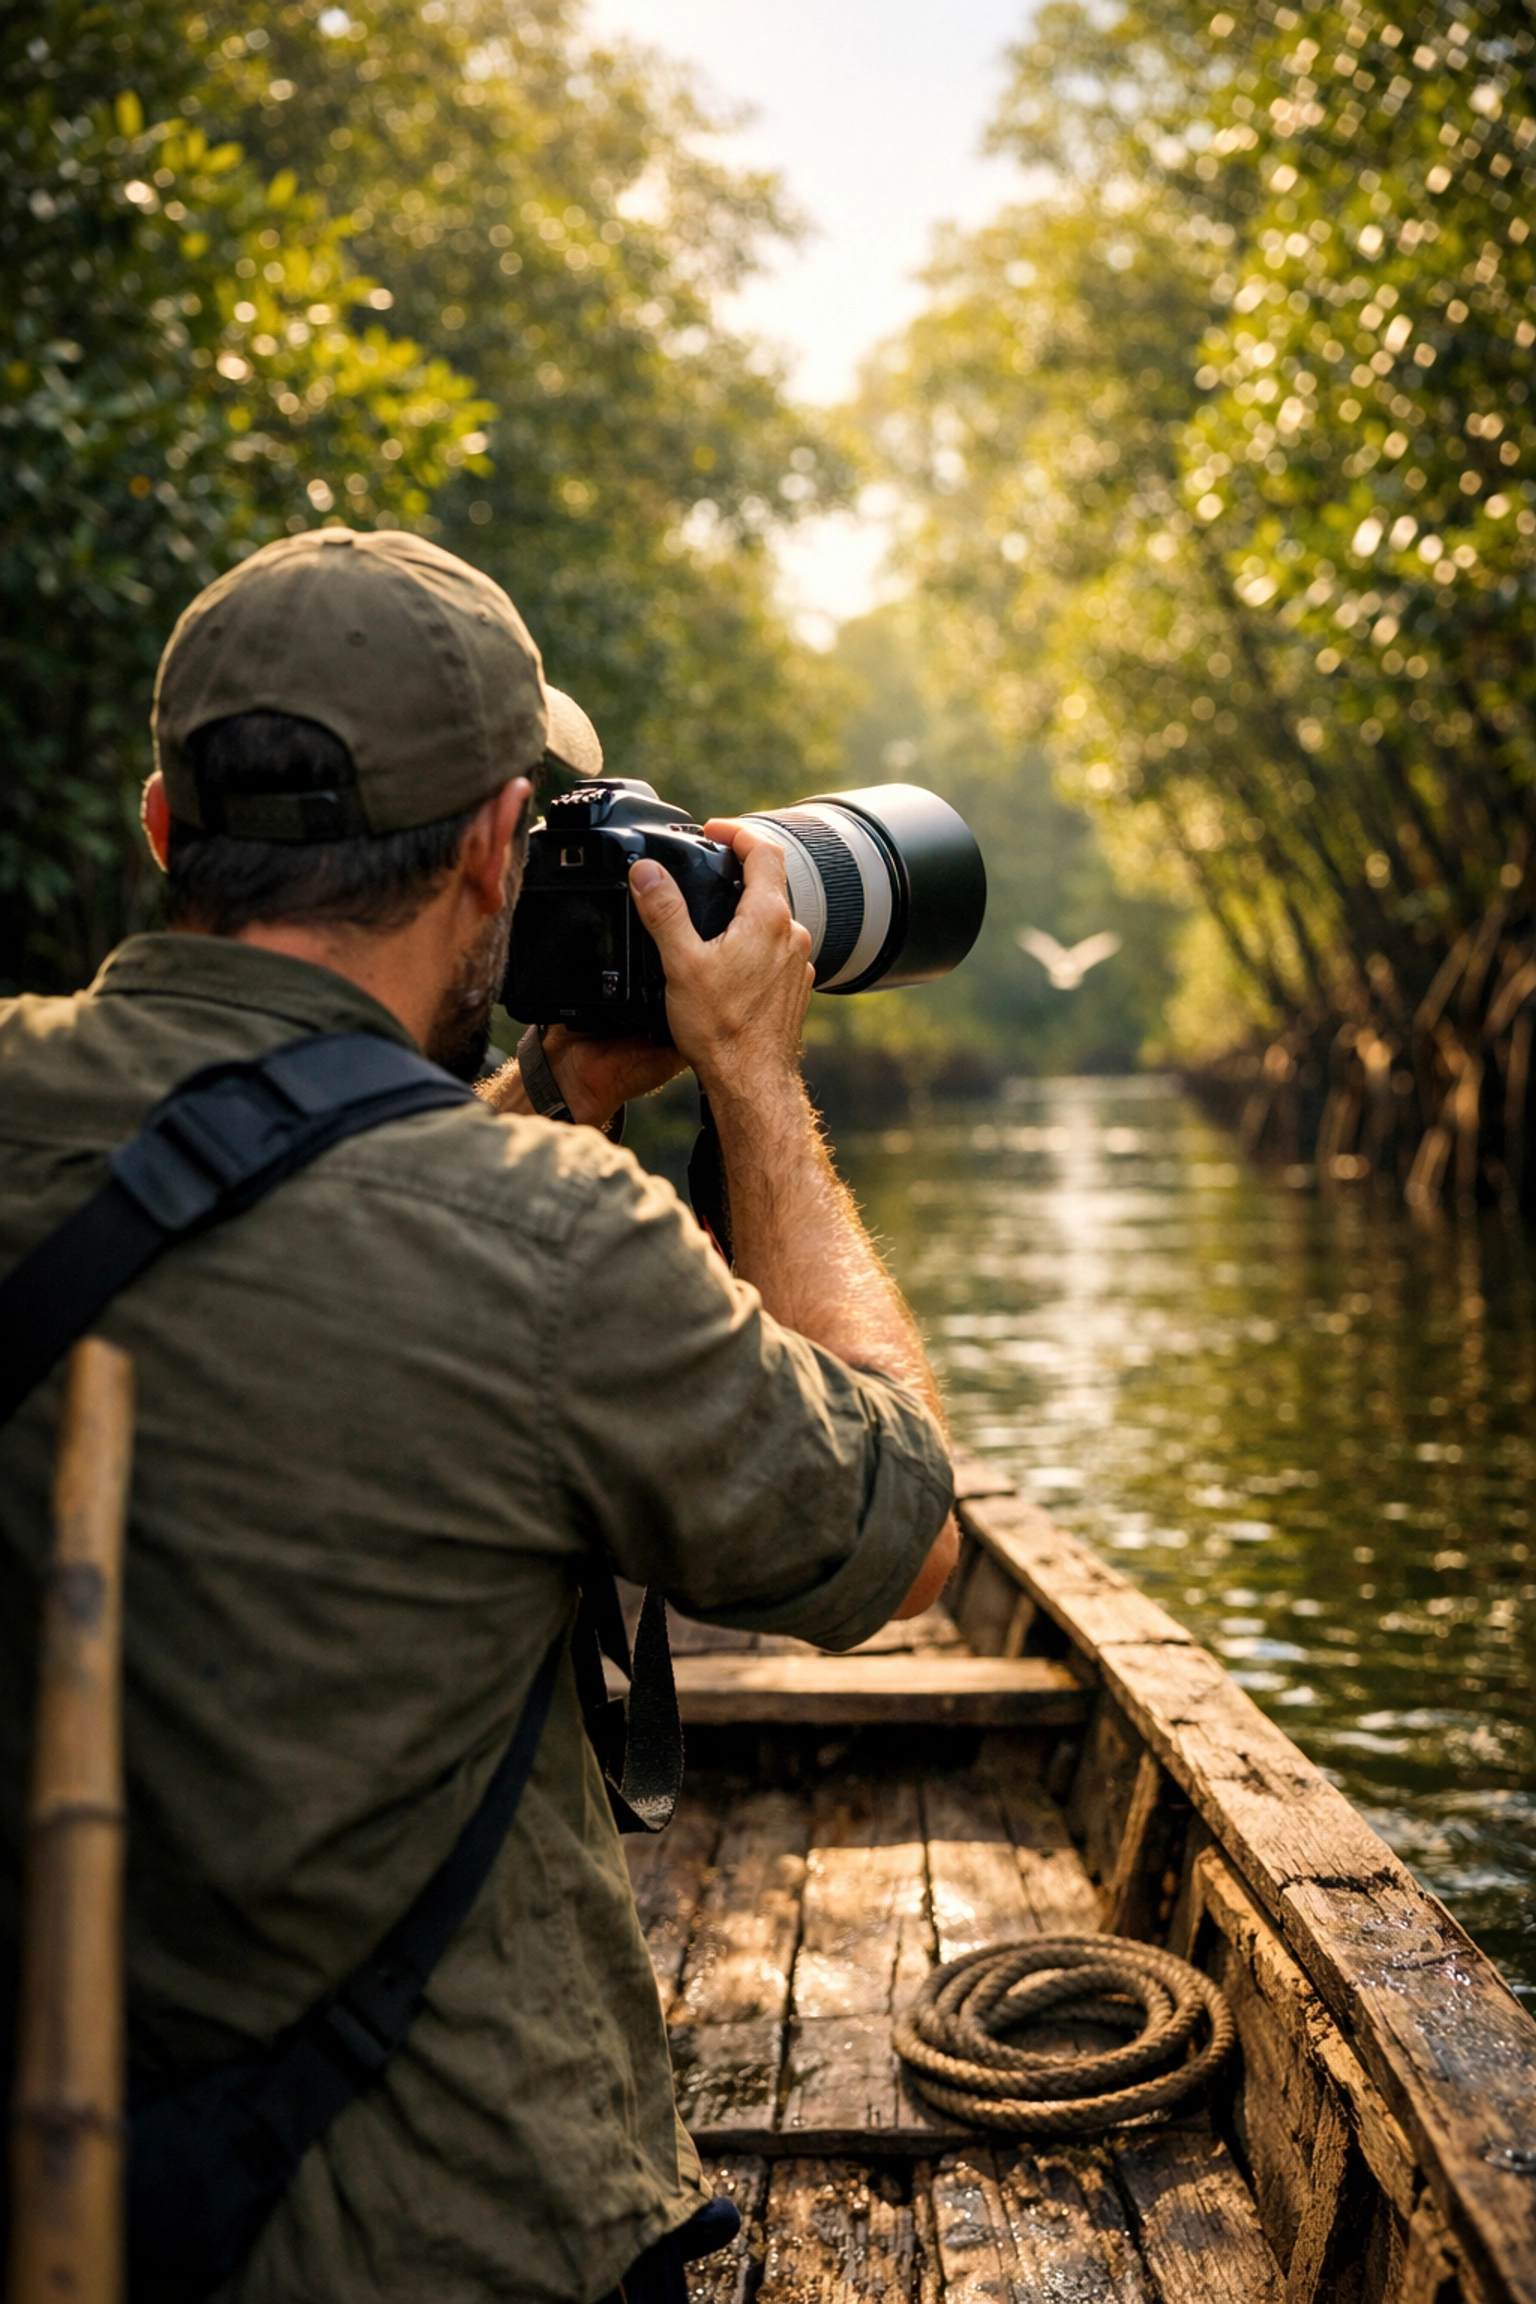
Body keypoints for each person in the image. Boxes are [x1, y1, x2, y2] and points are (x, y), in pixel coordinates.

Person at [0, 528, 957, 2303]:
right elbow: (900, 1535)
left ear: (157, 828)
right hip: (439, 2240)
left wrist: (552, 1097)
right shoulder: (556, 1242)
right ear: (497, 848)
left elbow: (289, 1212)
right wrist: (751, 1077)